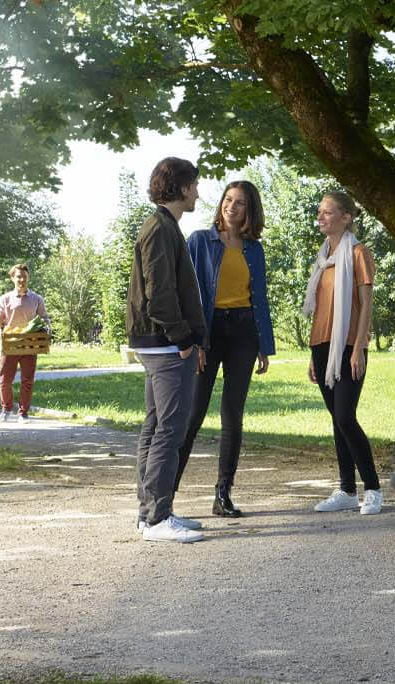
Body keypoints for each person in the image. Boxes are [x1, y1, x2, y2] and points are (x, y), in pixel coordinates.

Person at [178, 180, 274, 518]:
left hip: (244, 332)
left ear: (251, 210)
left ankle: (223, 494)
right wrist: (194, 340)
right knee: (193, 414)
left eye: (241, 203)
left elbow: (258, 297)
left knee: (233, 415)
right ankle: (165, 495)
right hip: (210, 330)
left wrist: (264, 344)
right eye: (228, 200)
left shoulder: (254, 249)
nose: (232, 207)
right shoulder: (200, 241)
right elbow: (187, 293)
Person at [129, 157, 210, 543]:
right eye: (193, 185)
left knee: (156, 426)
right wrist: (183, 338)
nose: (197, 192)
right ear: (178, 187)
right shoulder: (159, 228)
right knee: (169, 430)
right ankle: (158, 518)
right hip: (165, 345)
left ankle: (150, 514)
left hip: (159, 343)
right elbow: (159, 295)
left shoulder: (164, 226)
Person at [303, 190, 382, 516]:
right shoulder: (324, 258)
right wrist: (312, 356)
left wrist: (359, 348)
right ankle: (347, 490)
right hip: (321, 346)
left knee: (346, 417)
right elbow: (320, 308)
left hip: (349, 346)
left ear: (346, 217)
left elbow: (365, 305)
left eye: (328, 212)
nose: (321, 217)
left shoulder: (358, 253)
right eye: (320, 212)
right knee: (337, 419)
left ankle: (374, 489)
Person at [0, 263, 49, 424]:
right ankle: (6, 410)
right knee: (5, 380)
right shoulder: (5, 299)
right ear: (12, 278)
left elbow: (44, 318)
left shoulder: (36, 299)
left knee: (27, 380)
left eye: (24, 276)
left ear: (28, 277)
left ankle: (23, 413)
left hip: (30, 344)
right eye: (18, 276)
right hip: (10, 344)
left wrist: (46, 328)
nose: (21, 279)